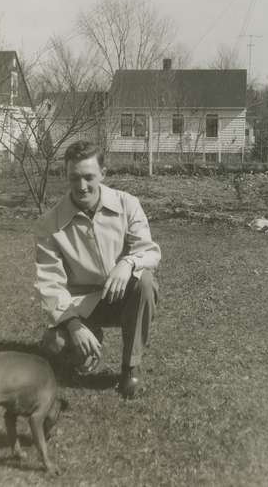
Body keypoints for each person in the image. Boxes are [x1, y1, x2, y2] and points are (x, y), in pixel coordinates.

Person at [35, 140, 161, 398]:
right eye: (74, 178)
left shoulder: (127, 204)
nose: (82, 186)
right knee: (54, 346)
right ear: (66, 176)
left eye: (89, 177)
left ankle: (130, 367)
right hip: (79, 305)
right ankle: (90, 339)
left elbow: (149, 252)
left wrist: (127, 263)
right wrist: (72, 324)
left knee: (145, 282)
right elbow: (49, 282)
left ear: (103, 173)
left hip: (122, 297)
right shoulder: (49, 223)